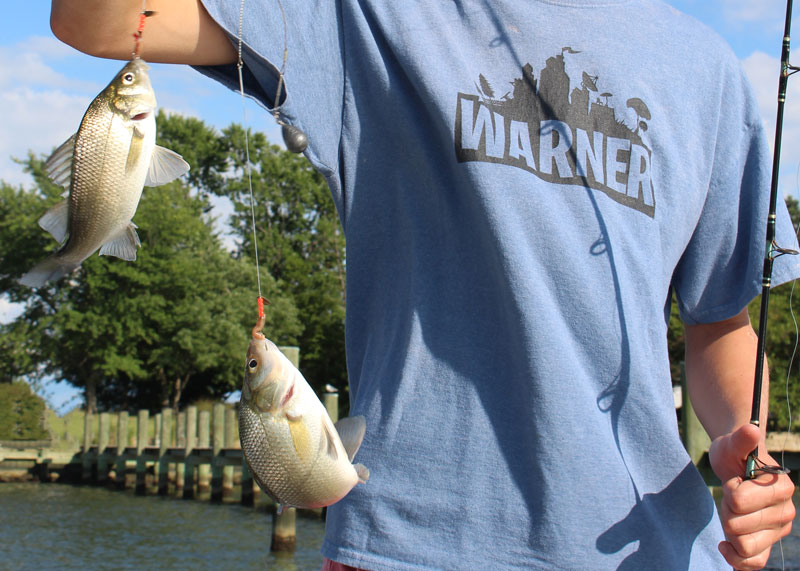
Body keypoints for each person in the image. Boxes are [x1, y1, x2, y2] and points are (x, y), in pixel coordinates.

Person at [51, 1, 799, 569]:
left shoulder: (708, 70)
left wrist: (748, 452)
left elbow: (720, 321)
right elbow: (98, 19)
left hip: (660, 548)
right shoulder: (366, 17)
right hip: (409, 547)